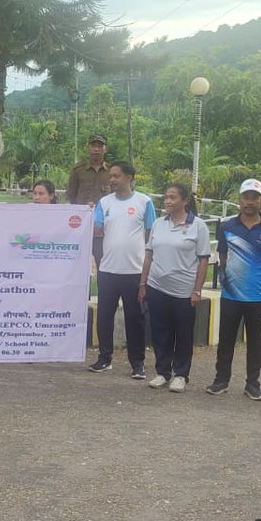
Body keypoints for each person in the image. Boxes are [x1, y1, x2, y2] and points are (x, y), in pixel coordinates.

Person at [206, 178, 261, 401]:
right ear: (239, 200)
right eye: (246, 197)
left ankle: (253, 384)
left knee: (255, 344)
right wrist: (231, 278)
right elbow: (222, 255)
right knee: (226, 340)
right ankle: (221, 380)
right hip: (230, 294)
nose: (250, 202)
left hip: (257, 296)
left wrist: (255, 278)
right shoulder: (227, 225)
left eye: (254, 198)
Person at [138, 183, 211, 393]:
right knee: (160, 331)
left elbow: (203, 261)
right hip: (157, 286)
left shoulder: (198, 226)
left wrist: (197, 290)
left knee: (183, 333)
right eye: (166, 197)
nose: (167, 201)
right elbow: (149, 255)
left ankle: (180, 374)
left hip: (184, 290)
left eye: (172, 197)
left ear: (185, 201)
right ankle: (162, 372)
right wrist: (143, 283)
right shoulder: (159, 224)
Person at [89, 161, 155, 378]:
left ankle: (137, 363)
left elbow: (151, 235)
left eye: (116, 176)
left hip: (134, 272)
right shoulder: (104, 203)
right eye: (111, 176)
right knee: (104, 317)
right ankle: (104, 358)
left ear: (129, 177)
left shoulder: (144, 202)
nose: (112, 180)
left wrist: (147, 267)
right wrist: (86, 214)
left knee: (135, 319)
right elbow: (96, 230)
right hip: (108, 270)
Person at [68, 133, 113, 268]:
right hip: (81, 226)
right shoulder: (78, 170)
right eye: (93, 146)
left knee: (103, 263)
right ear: (88, 147)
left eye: (100, 146)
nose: (96, 149)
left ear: (105, 149)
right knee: (78, 265)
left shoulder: (111, 172)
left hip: (103, 228)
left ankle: (103, 290)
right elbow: (72, 195)